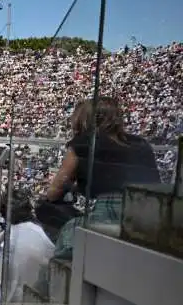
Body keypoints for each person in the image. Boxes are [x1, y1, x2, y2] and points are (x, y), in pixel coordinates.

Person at [44, 97, 160, 258]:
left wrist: (70, 188)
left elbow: (54, 191)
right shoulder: (141, 143)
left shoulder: (83, 143)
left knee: (57, 223)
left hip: (109, 216)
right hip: (147, 219)